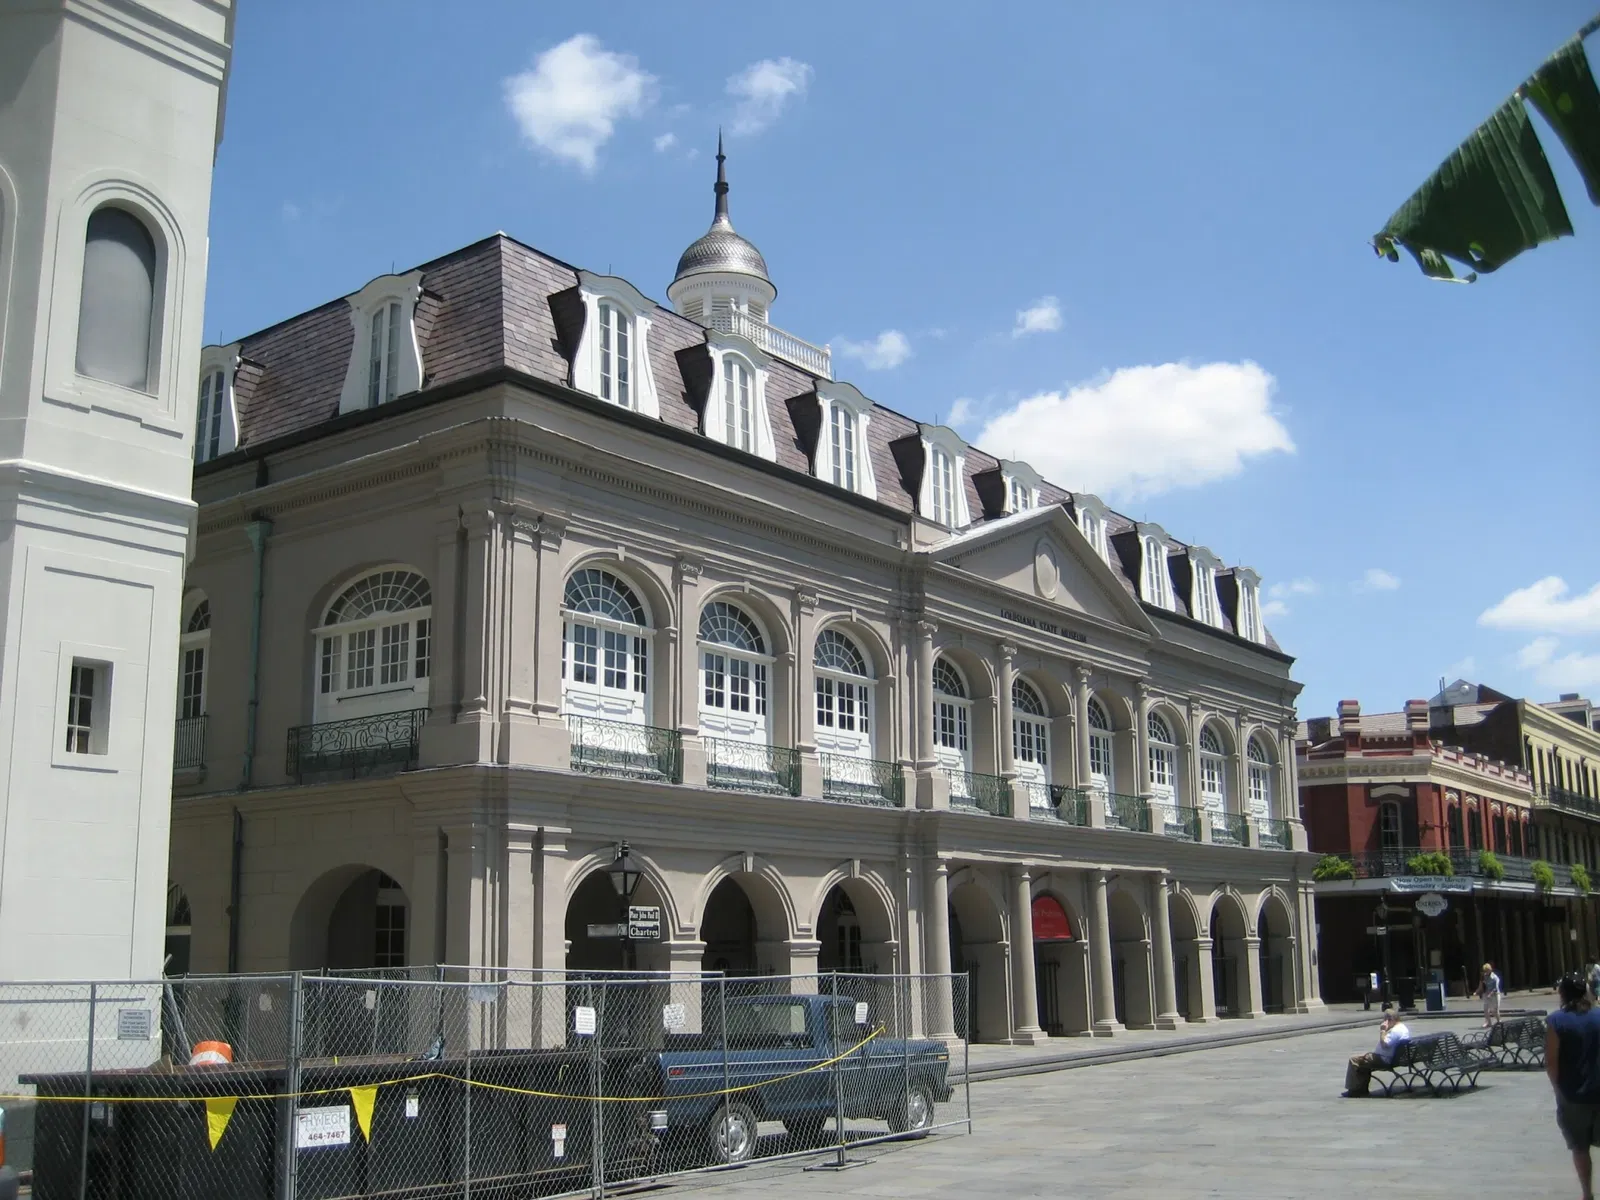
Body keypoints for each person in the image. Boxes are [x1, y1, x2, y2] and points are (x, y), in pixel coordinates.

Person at [1547, 972, 1600, 1200]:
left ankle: (1587, 1194)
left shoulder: (1556, 1021)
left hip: (1573, 1094)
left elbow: (1551, 1062)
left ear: (1562, 994)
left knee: (1580, 1148)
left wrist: (1559, 1090)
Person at [1343, 1004, 1410, 1098]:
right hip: (1389, 1057)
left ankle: (1353, 1090)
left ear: (1390, 1020)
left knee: (1354, 1060)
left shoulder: (1396, 1031)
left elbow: (1385, 1044)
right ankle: (1360, 1089)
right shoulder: (1402, 1028)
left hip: (1384, 1059)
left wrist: (1383, 1031)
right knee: (1363, 1062)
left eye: (1385, 1020)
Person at [1477, 962, 1502, 1027]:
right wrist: (1478, 991)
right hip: (1486, 994)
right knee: (1486, 1009)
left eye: (1486, 971)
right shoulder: (1484, 976)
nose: (1485, 972)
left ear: (1490, 970)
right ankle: (1489, 1023)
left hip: (1495, 994)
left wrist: (1490, 994)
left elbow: (1495, 988)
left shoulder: (1494, 977)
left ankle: (1499, 1021)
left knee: (1495, 1011)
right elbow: (1481, 985)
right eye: (1484, 971)